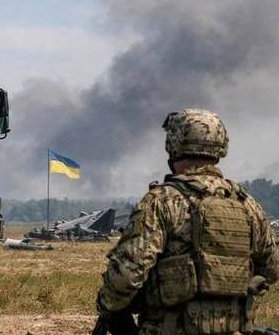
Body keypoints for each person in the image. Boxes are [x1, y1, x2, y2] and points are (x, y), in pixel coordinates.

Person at [96, 108, 279, 335]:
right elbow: (271, 269)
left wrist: (109, 310)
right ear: (220, 146)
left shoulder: (161, 201)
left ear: (174, 145)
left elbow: (125, 275)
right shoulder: (247, 204)